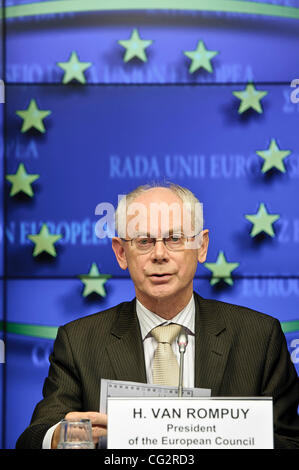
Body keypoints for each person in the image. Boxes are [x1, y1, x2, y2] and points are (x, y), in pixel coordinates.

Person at [16, 183, 299, 449]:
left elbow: (289, 441)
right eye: (144, 241)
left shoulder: (259, 337)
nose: (159, 254)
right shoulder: (79, 341)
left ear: (201, 246)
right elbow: (33, 438)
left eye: (175, 239)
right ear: (121, 253)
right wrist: (65, 436)